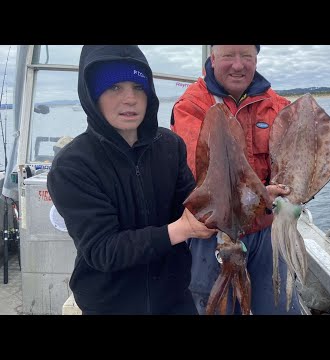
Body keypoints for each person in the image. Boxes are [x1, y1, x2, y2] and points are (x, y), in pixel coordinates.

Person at [47, 45, 216, 315]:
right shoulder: (72, 164)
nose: (130, 99)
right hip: (109, 304)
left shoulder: (170, 145)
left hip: (174, 299)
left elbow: (193, 204)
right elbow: (102, 249)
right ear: (93, 95)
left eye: (138, 87)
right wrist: (180, 230)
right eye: (115, 88)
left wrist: (252, 195)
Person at [171, 45, 302, 315]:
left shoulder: (278, 106)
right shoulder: (191, 106)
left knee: (281, 306)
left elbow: (294, 163)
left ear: (256, 59)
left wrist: (294, 189)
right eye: (229, 55)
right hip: (213, 235)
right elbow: (200, 174)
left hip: (266, 230)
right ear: (213, 58)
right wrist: (257, 195)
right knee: (216, 307)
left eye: (247, 56)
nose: (238, 65)